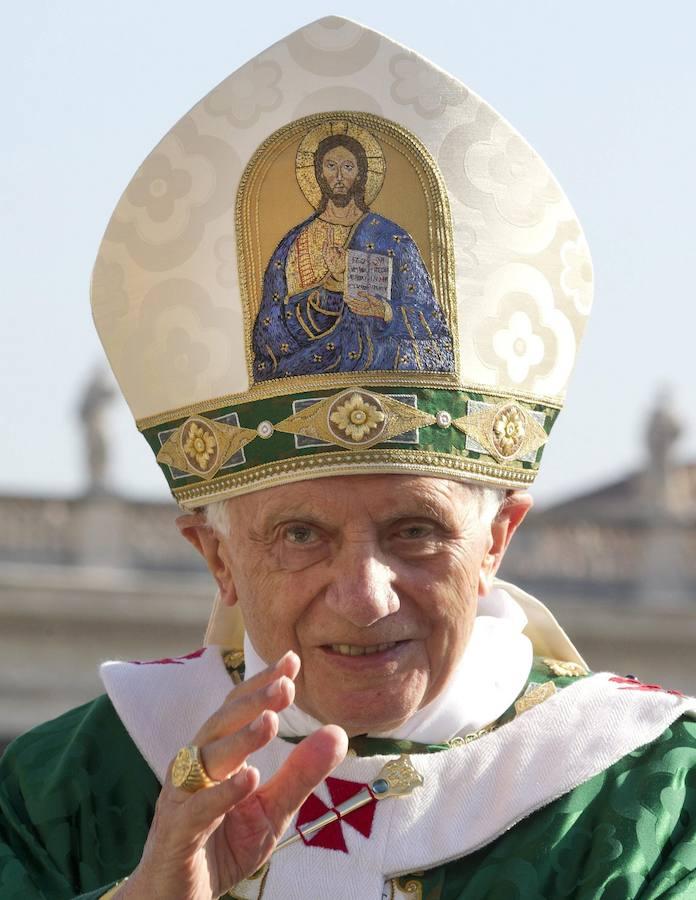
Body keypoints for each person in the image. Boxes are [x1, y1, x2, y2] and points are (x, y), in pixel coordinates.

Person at [2, 16, 696, 900]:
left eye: (415, 531)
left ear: (498, 540)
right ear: (216, 557)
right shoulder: (63, 790)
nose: (365, 594)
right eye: (298, 534)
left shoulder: (651, 796)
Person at [251, 131, 455, 379]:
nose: (338, 176)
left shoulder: (392, 238)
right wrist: (331, 290)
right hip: (310, 370)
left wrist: (384, 311)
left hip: (379, 369)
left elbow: (431, 321)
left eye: (348, 167)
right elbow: (268, 327)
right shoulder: (295, 243)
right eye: (330, 166)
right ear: (318, 173)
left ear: (360, 174)